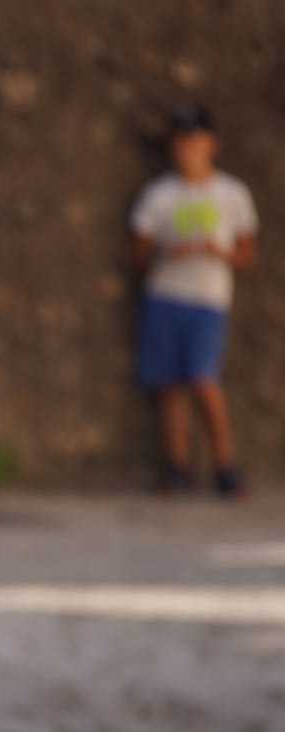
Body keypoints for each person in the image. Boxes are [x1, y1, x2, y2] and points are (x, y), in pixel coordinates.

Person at [130, 103, 258, 499]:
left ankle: (225, 466)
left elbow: (247, 252)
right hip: (165, 294)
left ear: (211, 144)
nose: (187, 150)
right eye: (180, 142)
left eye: (194, 141)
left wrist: (218, 252)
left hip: (208, 299)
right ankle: (178, 466)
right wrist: (168, 253)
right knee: (169, 383)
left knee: (203, 379)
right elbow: (139, 253)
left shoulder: (231, 194)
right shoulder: (159, 195)